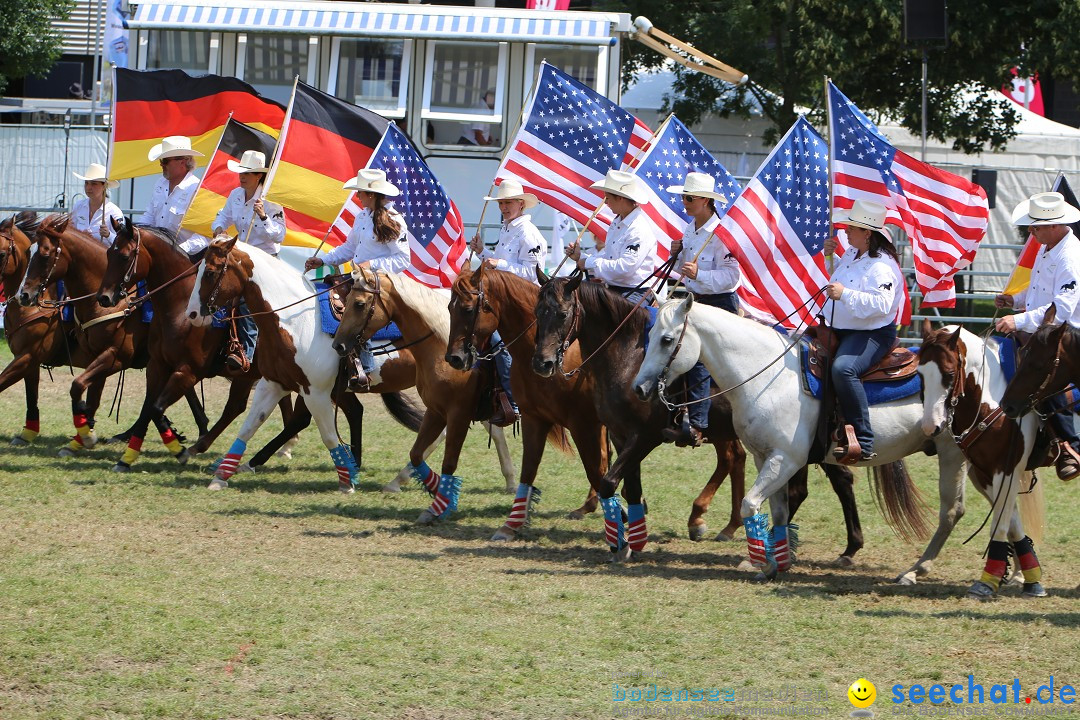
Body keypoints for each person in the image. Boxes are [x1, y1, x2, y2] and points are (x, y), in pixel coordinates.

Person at [994, 191, 1080, 480]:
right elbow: (1039, 291)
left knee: (1041, 374)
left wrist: (1018, 320)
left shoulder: (1070, 256)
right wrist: (1015, 301)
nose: (1031, 232)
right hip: (1049, 329)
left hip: (1069, 333)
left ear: (1054, 225)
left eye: (1036, 227)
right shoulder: (1050, 247)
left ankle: (1070, 446)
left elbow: (1062, 308)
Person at [304, 169, 409, 386]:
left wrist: (371, 266)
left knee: (357, 313)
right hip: (359, 279)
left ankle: (364, 368)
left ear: (370, 194)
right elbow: (349, 248)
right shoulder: (362, 216)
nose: (357, 196)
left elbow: (402, 260)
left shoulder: (394, 220)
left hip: (379, 283)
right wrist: (324, 260)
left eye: (360, 192)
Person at [821, 199, 905, 463]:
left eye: (852, 227)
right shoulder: (851, 254)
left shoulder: (882, 266)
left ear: (867, 233)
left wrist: (844, 295)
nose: (846, 230)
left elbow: (882, 305)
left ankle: (865, 439)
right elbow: (840, 280)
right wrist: (829, 257)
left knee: (843, 369)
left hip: (871, 332)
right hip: (843, 327)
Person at [661, 172, 738, 447]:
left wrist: (699, 273)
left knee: (698, 358)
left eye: (689, 197)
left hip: (719, 304)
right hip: (696, 300)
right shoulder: (690, 228)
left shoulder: (721, 234)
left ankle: (698, 424)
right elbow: (685, 268)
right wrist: (677, 254)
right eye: (684, 196)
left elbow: (731, 278)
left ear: (706, 201)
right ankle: (672, 408)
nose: (685, 201)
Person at [468, 179, 549, 423]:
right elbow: (501, 262)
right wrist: (483, 253)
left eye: (508, 203)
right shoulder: (508, 228)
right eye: (501, 203)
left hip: (523, 302)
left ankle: (514, 401)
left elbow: (532, 272)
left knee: (497, 340)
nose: (504, 207)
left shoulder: (529, 234)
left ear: (521, 204)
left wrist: (498, 264)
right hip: (506, 299)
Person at [211, 150, 287, 372]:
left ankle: (246, 352)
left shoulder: (271, 201)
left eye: (248, 173)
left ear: (258, 176)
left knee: (246, 300)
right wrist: (218, 229)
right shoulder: (235, 194)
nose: (242, 177)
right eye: (241, 172)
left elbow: (279, 235)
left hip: (265, 260)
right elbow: (221, 217)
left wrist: (263, 216)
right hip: (242, 258)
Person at [565, 169, 659, 305]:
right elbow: (610, 258)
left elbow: (625, 268)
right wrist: (582, 258)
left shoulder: (638, 229)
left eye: (607, 198)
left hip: (635, 291)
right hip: (616, 289)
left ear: (620, 198)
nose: (606, 203)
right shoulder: (619, 223)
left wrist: (588, 263)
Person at [137, 135, 210, 257]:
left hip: (187, 259)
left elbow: (205, 235)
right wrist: (135, 232)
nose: (161, 165)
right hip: (159, 255)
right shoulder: (160, 184)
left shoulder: (197, 190)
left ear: (183, 162)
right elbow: (149, 216)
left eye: (165, 161)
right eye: (161, 161)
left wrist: (178, 251)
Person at [71, 163, 123, 246]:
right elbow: (70, 231)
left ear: (104, 186)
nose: (88, 187)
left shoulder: (114, 212)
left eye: (94, 183)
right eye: (86, 183)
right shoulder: (78, 206)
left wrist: (109, 235)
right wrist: (80, 236)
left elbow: (122, 243)